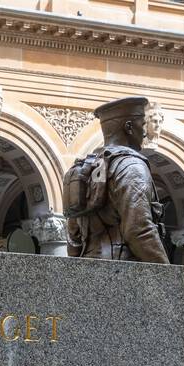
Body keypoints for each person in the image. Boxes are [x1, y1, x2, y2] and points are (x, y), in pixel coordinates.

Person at [66, 96, 169, 264]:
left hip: (88, 267)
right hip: (124, 268)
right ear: (129, 127)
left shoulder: (85, 168)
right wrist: (168, 276)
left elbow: (73, 233)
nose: (144, 132)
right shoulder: (132, 166)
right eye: (142, 124)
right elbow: (139, 230)